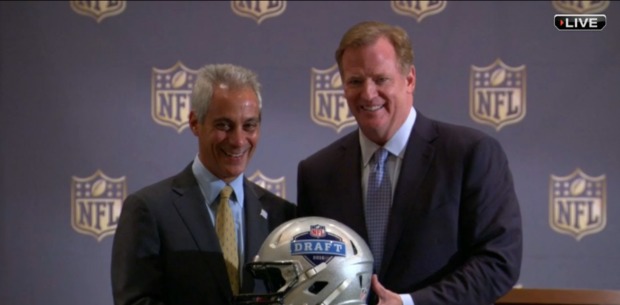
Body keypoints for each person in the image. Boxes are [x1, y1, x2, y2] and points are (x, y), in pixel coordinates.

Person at [296, 21, 522, 305]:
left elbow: (498, 261)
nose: (368, 93)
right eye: (355, 81)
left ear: (410, 79)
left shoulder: (470, 154)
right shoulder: (317, 172)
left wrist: (411, 303)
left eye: (381, 79)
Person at [111, 63, 296, 305]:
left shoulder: (281, 216)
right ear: (195, 123)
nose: (238, 140)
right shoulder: (148, 209)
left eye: (249, 125)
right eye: (224, 125)